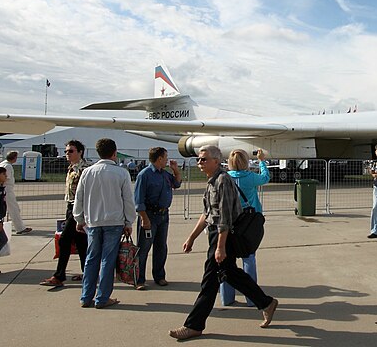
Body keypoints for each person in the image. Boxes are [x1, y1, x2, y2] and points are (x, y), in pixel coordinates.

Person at [169, 145, 278, 340]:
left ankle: (193, 325)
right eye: (198, 159)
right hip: (216, 235)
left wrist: (220, 247)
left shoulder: (223, 181)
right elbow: (207, 214)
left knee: (209, 281)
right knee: (230, 274)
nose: (199, 163)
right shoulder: (212, 181)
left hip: (223, 237)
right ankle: (266, 303)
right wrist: (192, 237)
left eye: (204, 159)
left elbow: (225, 218)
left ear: (216, 161)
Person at [73, 138, 135, 309]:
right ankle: (102, 297)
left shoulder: (87, 172)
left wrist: (79, 219)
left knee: (91, 258)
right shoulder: (121, 173)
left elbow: (79, 197)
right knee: (108, 259)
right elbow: (128, 200)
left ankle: (86, 296)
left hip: (93, 221)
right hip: (114, 221)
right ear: (114, 153)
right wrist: (129, 221)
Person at [220, 148, 268, 307]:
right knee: (249, 258)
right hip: (247, 223)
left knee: (227, 261)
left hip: (229, 223)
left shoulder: (225, 178)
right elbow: (265, 177)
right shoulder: (250, 178)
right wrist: (262, 161)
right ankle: (251, 297)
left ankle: (227, 297)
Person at [40, 140, 89, 288]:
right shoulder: (71, 168)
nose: (67, 154)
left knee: (64, 240)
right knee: (81, 243)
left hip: (78, 208)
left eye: (71, 151)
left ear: (80, 152)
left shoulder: (84, 169)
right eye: (66, 151)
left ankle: (59, 275)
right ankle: (88, 273)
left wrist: (81, 214)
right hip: (70, 207)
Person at [133, 146, 183, 291]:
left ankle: (159, 276)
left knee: (161, 247)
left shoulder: (165, 174)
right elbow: (139, 200)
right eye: (165, 157)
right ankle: (139, 279)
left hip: (163, 216)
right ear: (159, 158)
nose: (167, 160)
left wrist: (175, 170)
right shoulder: (144, 175)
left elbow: (177, 184)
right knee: (143, 248)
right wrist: (144, 218)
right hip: (149, 215)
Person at [0, 151, 31, 235]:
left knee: (1, 209)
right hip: (7, 189)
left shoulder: (2, 164)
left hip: (2, 189)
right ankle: (20, 228)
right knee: (14, 209)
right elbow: (6, 178)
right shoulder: (8, 166)